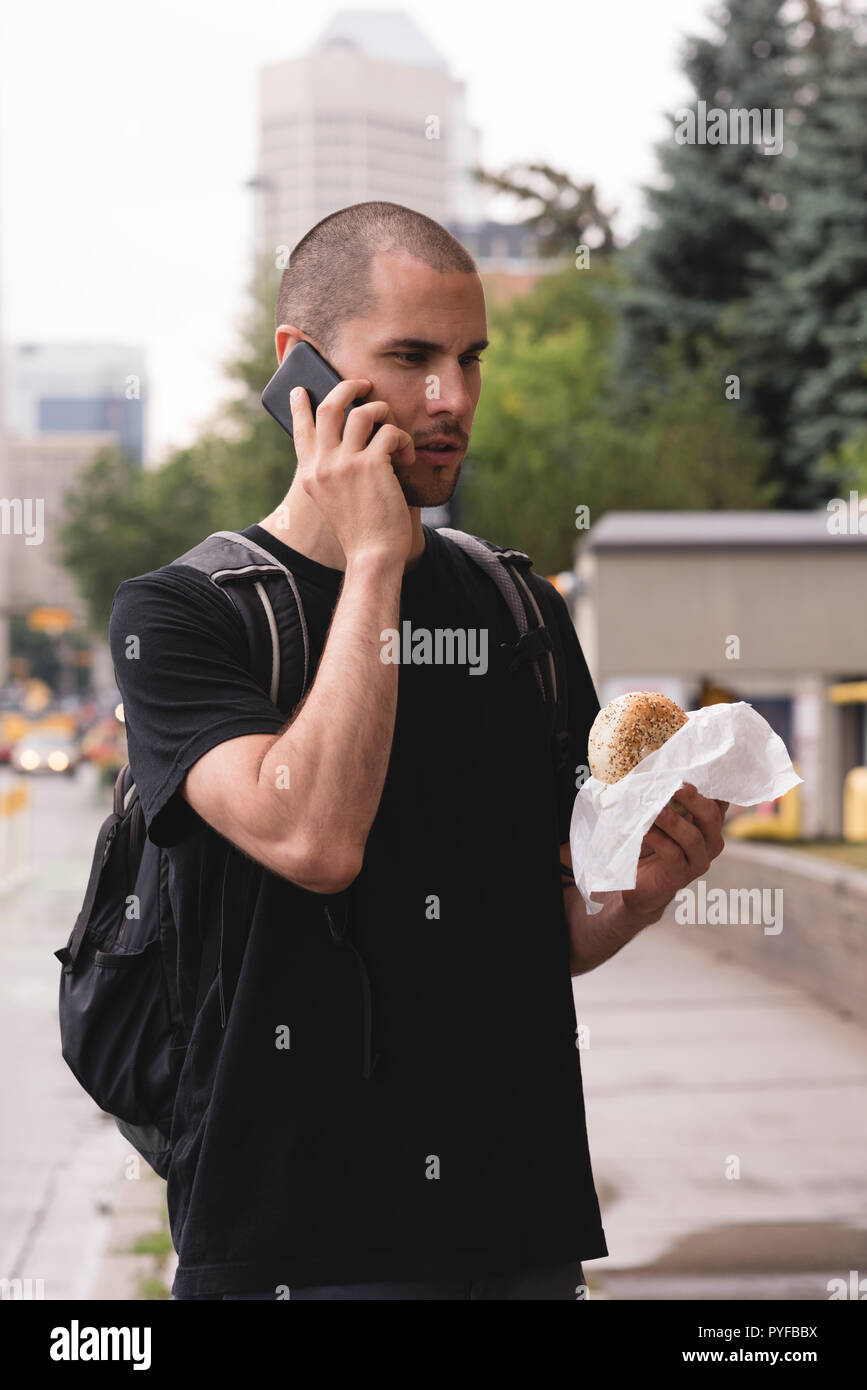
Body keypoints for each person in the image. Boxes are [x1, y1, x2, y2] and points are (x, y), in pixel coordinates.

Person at [109, 201, 727, 1301]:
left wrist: (639, 891)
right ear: (301, 370)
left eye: (470, 359)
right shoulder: (183, 616)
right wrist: (377, 567)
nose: (451, 400)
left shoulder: (518, 606)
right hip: (289, 1246)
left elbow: (553, 930)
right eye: (411, 359)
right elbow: (314, 837)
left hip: (518, 1235)